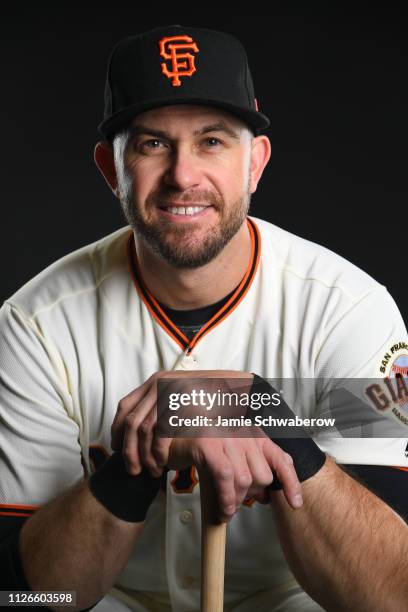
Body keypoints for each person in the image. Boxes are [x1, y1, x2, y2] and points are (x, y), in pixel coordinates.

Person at [0, 23, 407, 612]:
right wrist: (140, 459)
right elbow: (26, 599)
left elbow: (391, 596)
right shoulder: (35, 324)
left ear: (256, 163)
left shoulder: (348, 310)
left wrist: (261, 415)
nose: (183, 175)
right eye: (152, 144)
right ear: (110, 169)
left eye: (212, 142)